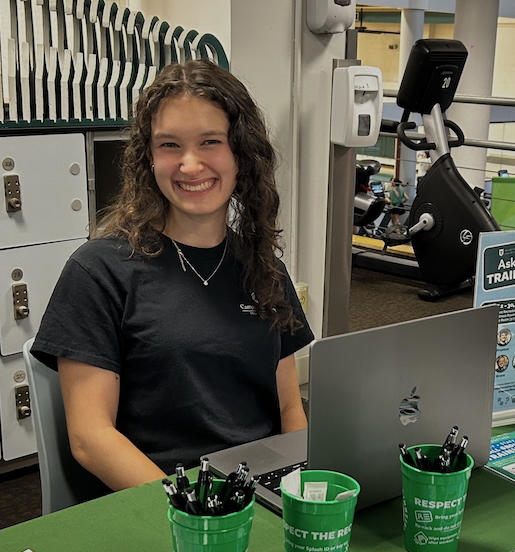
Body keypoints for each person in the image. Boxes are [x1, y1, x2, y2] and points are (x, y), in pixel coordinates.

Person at [32, 60, 314, 491]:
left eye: (210, 141)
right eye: (169, 145)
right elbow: (91, 439)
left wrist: (301, 489)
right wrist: (195, 507)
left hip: (259, 492)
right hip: (162, 499)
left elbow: (289, 407)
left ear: (241, 153)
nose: (190, 164)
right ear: (148, 158)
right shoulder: (99, 270)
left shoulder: (262, 264)